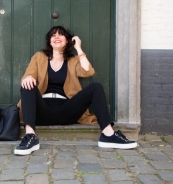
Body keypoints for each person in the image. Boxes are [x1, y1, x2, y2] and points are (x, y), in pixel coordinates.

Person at [14, 26, 137, 155]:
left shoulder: (72, 61)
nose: (56, 37)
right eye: (53, 35)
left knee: (96, 87)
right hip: (42, 111)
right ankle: (30, 137)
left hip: (66, 110)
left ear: (67, 41)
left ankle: (108, 135)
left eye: (60, 34)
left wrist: (78, 48)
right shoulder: (39, 57)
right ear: (49, 41)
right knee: (27, 85)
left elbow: (88, 71)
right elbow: (29, 74)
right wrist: (28, 77)